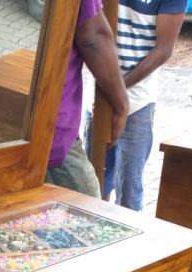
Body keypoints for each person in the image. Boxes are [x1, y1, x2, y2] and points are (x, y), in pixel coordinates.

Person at [46, 0, 129, 198]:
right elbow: (93, 39)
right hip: (50, 129)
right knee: (88, 209)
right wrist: (122, 104)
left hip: (1, 118)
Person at [113, 0, 187, 210]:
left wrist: (117, 89)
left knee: (129, 191)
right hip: (98, 97)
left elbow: (163, 50)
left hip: (137, 102)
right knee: (93, 184)